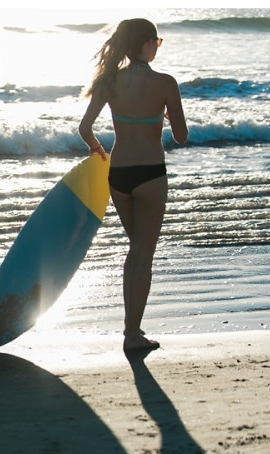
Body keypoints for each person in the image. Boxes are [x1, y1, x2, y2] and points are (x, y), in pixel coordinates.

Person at [78, 18, 188, 353]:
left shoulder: (109, 81)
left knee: (135, 251)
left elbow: (85, 128)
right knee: (143, 253)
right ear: (146, 43)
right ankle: (132, 334)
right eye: (156, 41)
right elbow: (182, 137)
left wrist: (99, 152)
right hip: (151, 174)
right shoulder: (166, 82)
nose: (157, 46)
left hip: (120, 175)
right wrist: (167, 118)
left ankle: (131, 330)